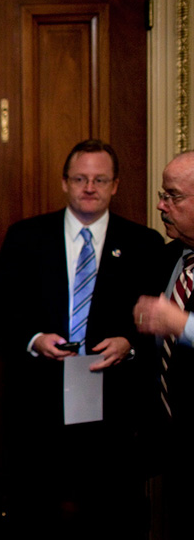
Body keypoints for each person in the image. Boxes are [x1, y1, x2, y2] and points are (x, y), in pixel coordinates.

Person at [0, 139, 163, 540]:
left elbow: (155, 317)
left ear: (115, 185)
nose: (89, 187)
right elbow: (2, 306)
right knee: (35, 515)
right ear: (64, 182)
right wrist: (35, 339)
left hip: (114, 407)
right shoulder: (25, 237)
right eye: (80, 178)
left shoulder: (144, 244)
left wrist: (128, 343)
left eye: (100, 180)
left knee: (111, 517)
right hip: (39, 401)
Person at [133, 150, 194, 540]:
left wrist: (184, 325)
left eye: (173, 196)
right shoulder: (166, 256)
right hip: (173, 450)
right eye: (162, 194)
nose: (161, 205)